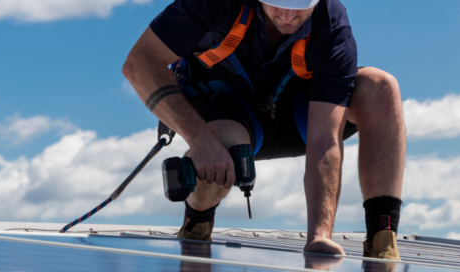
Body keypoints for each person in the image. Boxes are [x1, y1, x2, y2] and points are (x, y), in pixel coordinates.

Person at [122, 0, 405, 260]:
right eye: (278, 4)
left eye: (299, 7)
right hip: (224, 108)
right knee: (226, 143)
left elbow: (324, 140)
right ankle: (197, 221)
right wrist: (200, 139)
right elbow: (139, 62)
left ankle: (383, 239)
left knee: (381, 88)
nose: (286, 16)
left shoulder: (331, 24)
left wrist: (320, 236)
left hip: (297, 116)